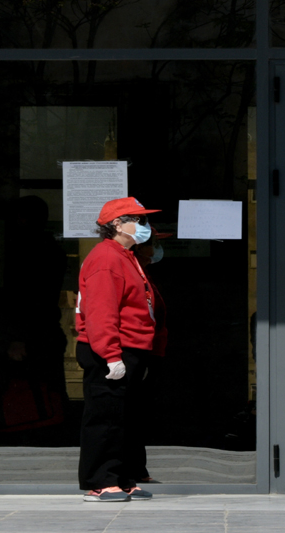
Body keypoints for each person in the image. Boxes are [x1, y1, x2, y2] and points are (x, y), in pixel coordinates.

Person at [76, 197, 162, 502]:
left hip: (129, 348)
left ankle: (123, 478)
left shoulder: (125, 256)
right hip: (112, 349)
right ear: (117, 224)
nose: (144, 227)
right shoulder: (107, 258)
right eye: (138, 221)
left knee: (123, 418)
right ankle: (100, 481)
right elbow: (100, 312)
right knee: (105, 418)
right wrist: (111, 355)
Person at [125, 226, 171, 484]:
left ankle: (136, 469)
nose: (157, 248)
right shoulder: (133, 274)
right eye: (153, 243)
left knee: (137, 413)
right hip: (138, 351)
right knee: (131, 413)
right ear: (140, 248)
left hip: (150, 352)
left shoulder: (145, 275)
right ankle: (132, 470)